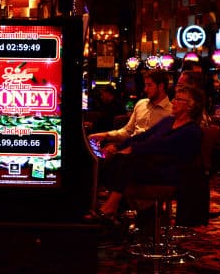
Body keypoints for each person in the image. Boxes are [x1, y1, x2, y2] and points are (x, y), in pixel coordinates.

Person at [87, 85, 204, 219]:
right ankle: (118, 208)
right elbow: (143, 136)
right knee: (108, 162)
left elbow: (161, 146)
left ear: (190, 106)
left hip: (170, 172)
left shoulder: (192, 130)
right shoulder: (169, 121)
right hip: (149, 164)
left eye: (178, 99)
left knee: (127, 161)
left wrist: (132, 149)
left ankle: (113, 207)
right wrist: (118, 148)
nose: (173, 102)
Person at [88, 70, 173, 157]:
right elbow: (127, 131)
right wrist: (106, 135)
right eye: (145, 85)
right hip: (130, 149)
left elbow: (164, 145)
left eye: (149, 85)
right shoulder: (141, 103)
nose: (145, 89)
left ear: (161, 86)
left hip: (150, 156)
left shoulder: (171, 112)